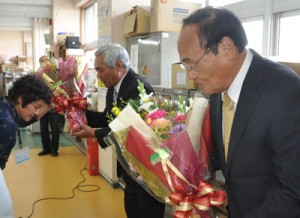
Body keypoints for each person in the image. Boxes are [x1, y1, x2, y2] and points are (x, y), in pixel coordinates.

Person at [177, 6, 300, 218]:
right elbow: (230, 152)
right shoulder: (218, 91)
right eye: (185, 66)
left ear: (226, 48)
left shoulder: (286, 93)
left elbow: (293, 190)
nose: (190, 76)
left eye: (192, 64)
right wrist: (181, 164)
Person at [73, 44, 165, 218]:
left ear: (117, 66)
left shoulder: (138, 87)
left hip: (146, 165)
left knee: (147, 210)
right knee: (132, 208)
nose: (99, 77)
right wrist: (81, 114)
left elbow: (127, 127)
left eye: (100, 70)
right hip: (129, 164)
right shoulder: (113, 88)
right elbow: (109, 119)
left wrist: (93, 133)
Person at [0, 75, 52, 218]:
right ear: (21, 99)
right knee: (5, 211)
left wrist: (49, 105)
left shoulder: (7, 107)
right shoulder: (6, 124)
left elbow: (22, 121)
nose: (37, 112)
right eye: (36, 107)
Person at [37, 56, 61, 157]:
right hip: (43, 105)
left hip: (53, 105)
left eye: (46, 60)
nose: (44, 63)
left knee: (55, 128)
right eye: (42, 61)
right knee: (43, 128)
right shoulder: (39, 74)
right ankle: (46, 148)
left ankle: (54, 149)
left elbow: (59, 86)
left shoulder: (56, 73)